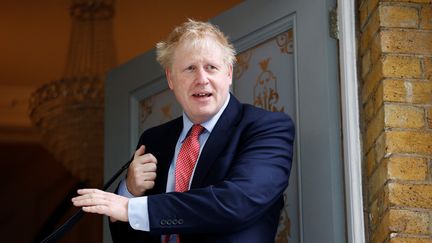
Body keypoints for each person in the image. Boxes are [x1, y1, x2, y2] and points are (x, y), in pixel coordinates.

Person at [72, 19, 295, 243]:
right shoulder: (154, 140)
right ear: (171, 79)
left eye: (211, 67)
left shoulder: (267, 127)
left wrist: (132, 207)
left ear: (228, 73)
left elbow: (237, 201)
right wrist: (130, 191)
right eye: (190, 68)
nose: (201, 79)